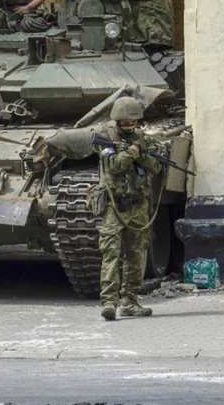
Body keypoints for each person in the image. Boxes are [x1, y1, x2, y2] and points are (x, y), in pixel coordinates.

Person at [95, 97, 161, 321]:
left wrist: (141, 152)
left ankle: (130, 300)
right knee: (111, 252)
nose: (130, 126)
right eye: (126, 122)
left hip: (138, 203)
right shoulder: (106, 139)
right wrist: (133, 151)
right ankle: (109, 302)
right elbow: (113, 165)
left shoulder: (141, 140)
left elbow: (155, 167)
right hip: (115, 204)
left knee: (135, 253)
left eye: (133, 122)